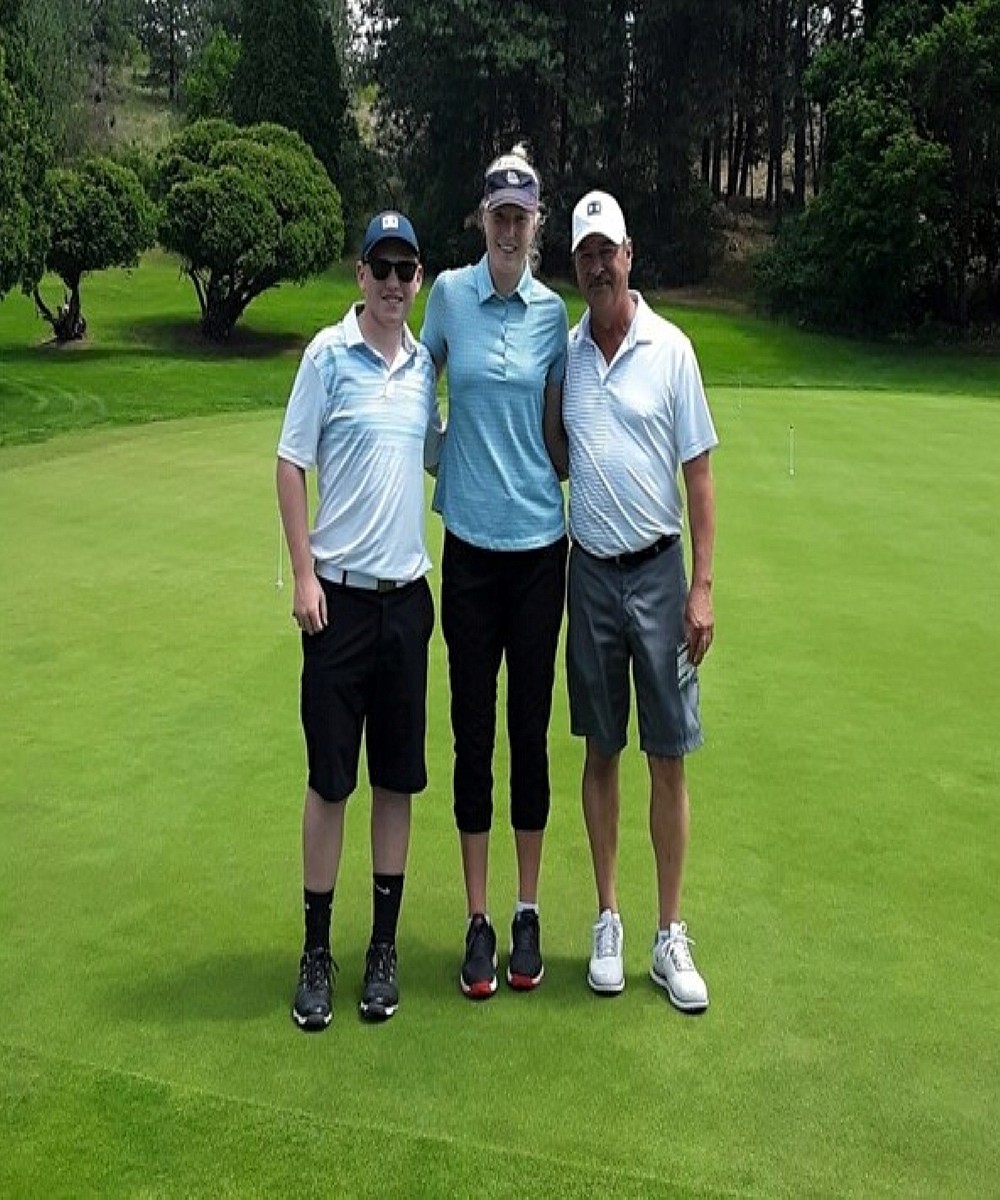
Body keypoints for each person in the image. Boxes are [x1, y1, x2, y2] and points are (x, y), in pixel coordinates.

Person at [276, 211, 443, 1030]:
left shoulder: (422, 370)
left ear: (418, 279)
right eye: (380, 268)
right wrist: (303, 572)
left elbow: (446, 453)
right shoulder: (325, 356)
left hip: (408, 602)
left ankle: (382, 948)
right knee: (329, 780)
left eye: (405, 270)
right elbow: (289, 462)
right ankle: (317, 951)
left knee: (395, 780)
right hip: (336, 603)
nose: (391, 284)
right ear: (360, 274)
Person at [554, 190, 718, 1013]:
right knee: (600, 748)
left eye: (606, 251)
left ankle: (668, 932)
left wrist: (702, 585)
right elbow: (553, 447)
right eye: (584, 253)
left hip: (658, 570)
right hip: (589, 574)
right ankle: (610, 917)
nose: (596, 265)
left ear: (630, 253)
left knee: (668, 754)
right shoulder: (570, 351)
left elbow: (699, 474)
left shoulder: (672, 349)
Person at [420, 147, 569, 999]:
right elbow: (415, 383)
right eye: (498, 215)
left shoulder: (554, 314)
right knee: (471, 732)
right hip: (471, 549)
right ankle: (476, 920)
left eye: (522, 216)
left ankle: (525, 909)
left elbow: (565, 422)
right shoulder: (448, 295)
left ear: (535, 224)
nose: (509, 229)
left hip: (541, 551)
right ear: (483, 219)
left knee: (528, 733)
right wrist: (442, 458)